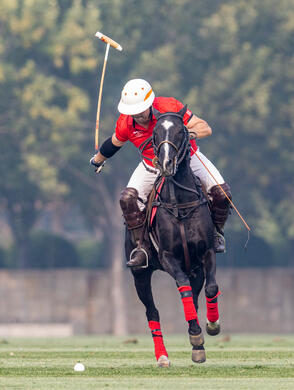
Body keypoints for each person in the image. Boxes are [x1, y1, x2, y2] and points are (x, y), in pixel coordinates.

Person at [90, 79, 231, 267]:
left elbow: (205, 128)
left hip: (187, 158)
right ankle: (141, 248)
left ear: (150, 103)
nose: (138, 116)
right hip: (151, 165)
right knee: (127, 199)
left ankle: (215, 233)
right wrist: (98, 159)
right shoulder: (126, 123)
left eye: (141, 110)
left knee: (221, 192)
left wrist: (182, 134)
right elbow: (113, 143)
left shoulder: (169, 106)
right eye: (133, 113)